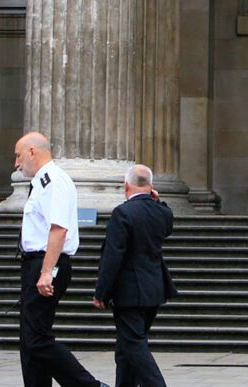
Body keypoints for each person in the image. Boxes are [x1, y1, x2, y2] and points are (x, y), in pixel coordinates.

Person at [14, 132, 105, 386]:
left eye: (18, 156)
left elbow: (58, 229)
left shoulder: (52, 180)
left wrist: (46, 271)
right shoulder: (44, 182)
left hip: (46, 264)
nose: (16, 163)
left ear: (32, 151)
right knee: (30, 338)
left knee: (36, 339)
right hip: (36, 263)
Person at [93, 164, 178, 387]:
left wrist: (101, 291)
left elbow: (113, 256)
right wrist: (157, 200)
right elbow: (167, 224)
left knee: (134, 345)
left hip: (129, 292)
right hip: (154, 290)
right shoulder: (161, 212)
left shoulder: (123, 213)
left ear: (126, 186)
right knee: (125, 348)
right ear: (151, 187)